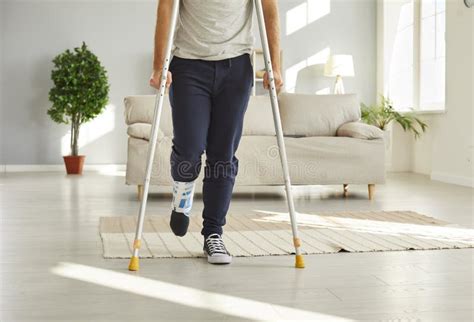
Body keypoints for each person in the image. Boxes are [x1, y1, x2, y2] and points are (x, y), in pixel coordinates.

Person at [149, 0, 283, 265]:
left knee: (223, 154)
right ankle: (183, 194)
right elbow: (166, 7)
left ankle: (213, 233)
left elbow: (270, 10)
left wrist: (275, 66)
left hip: (236, 68)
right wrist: (157, 65)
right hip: (188, 65)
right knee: (189, 149)